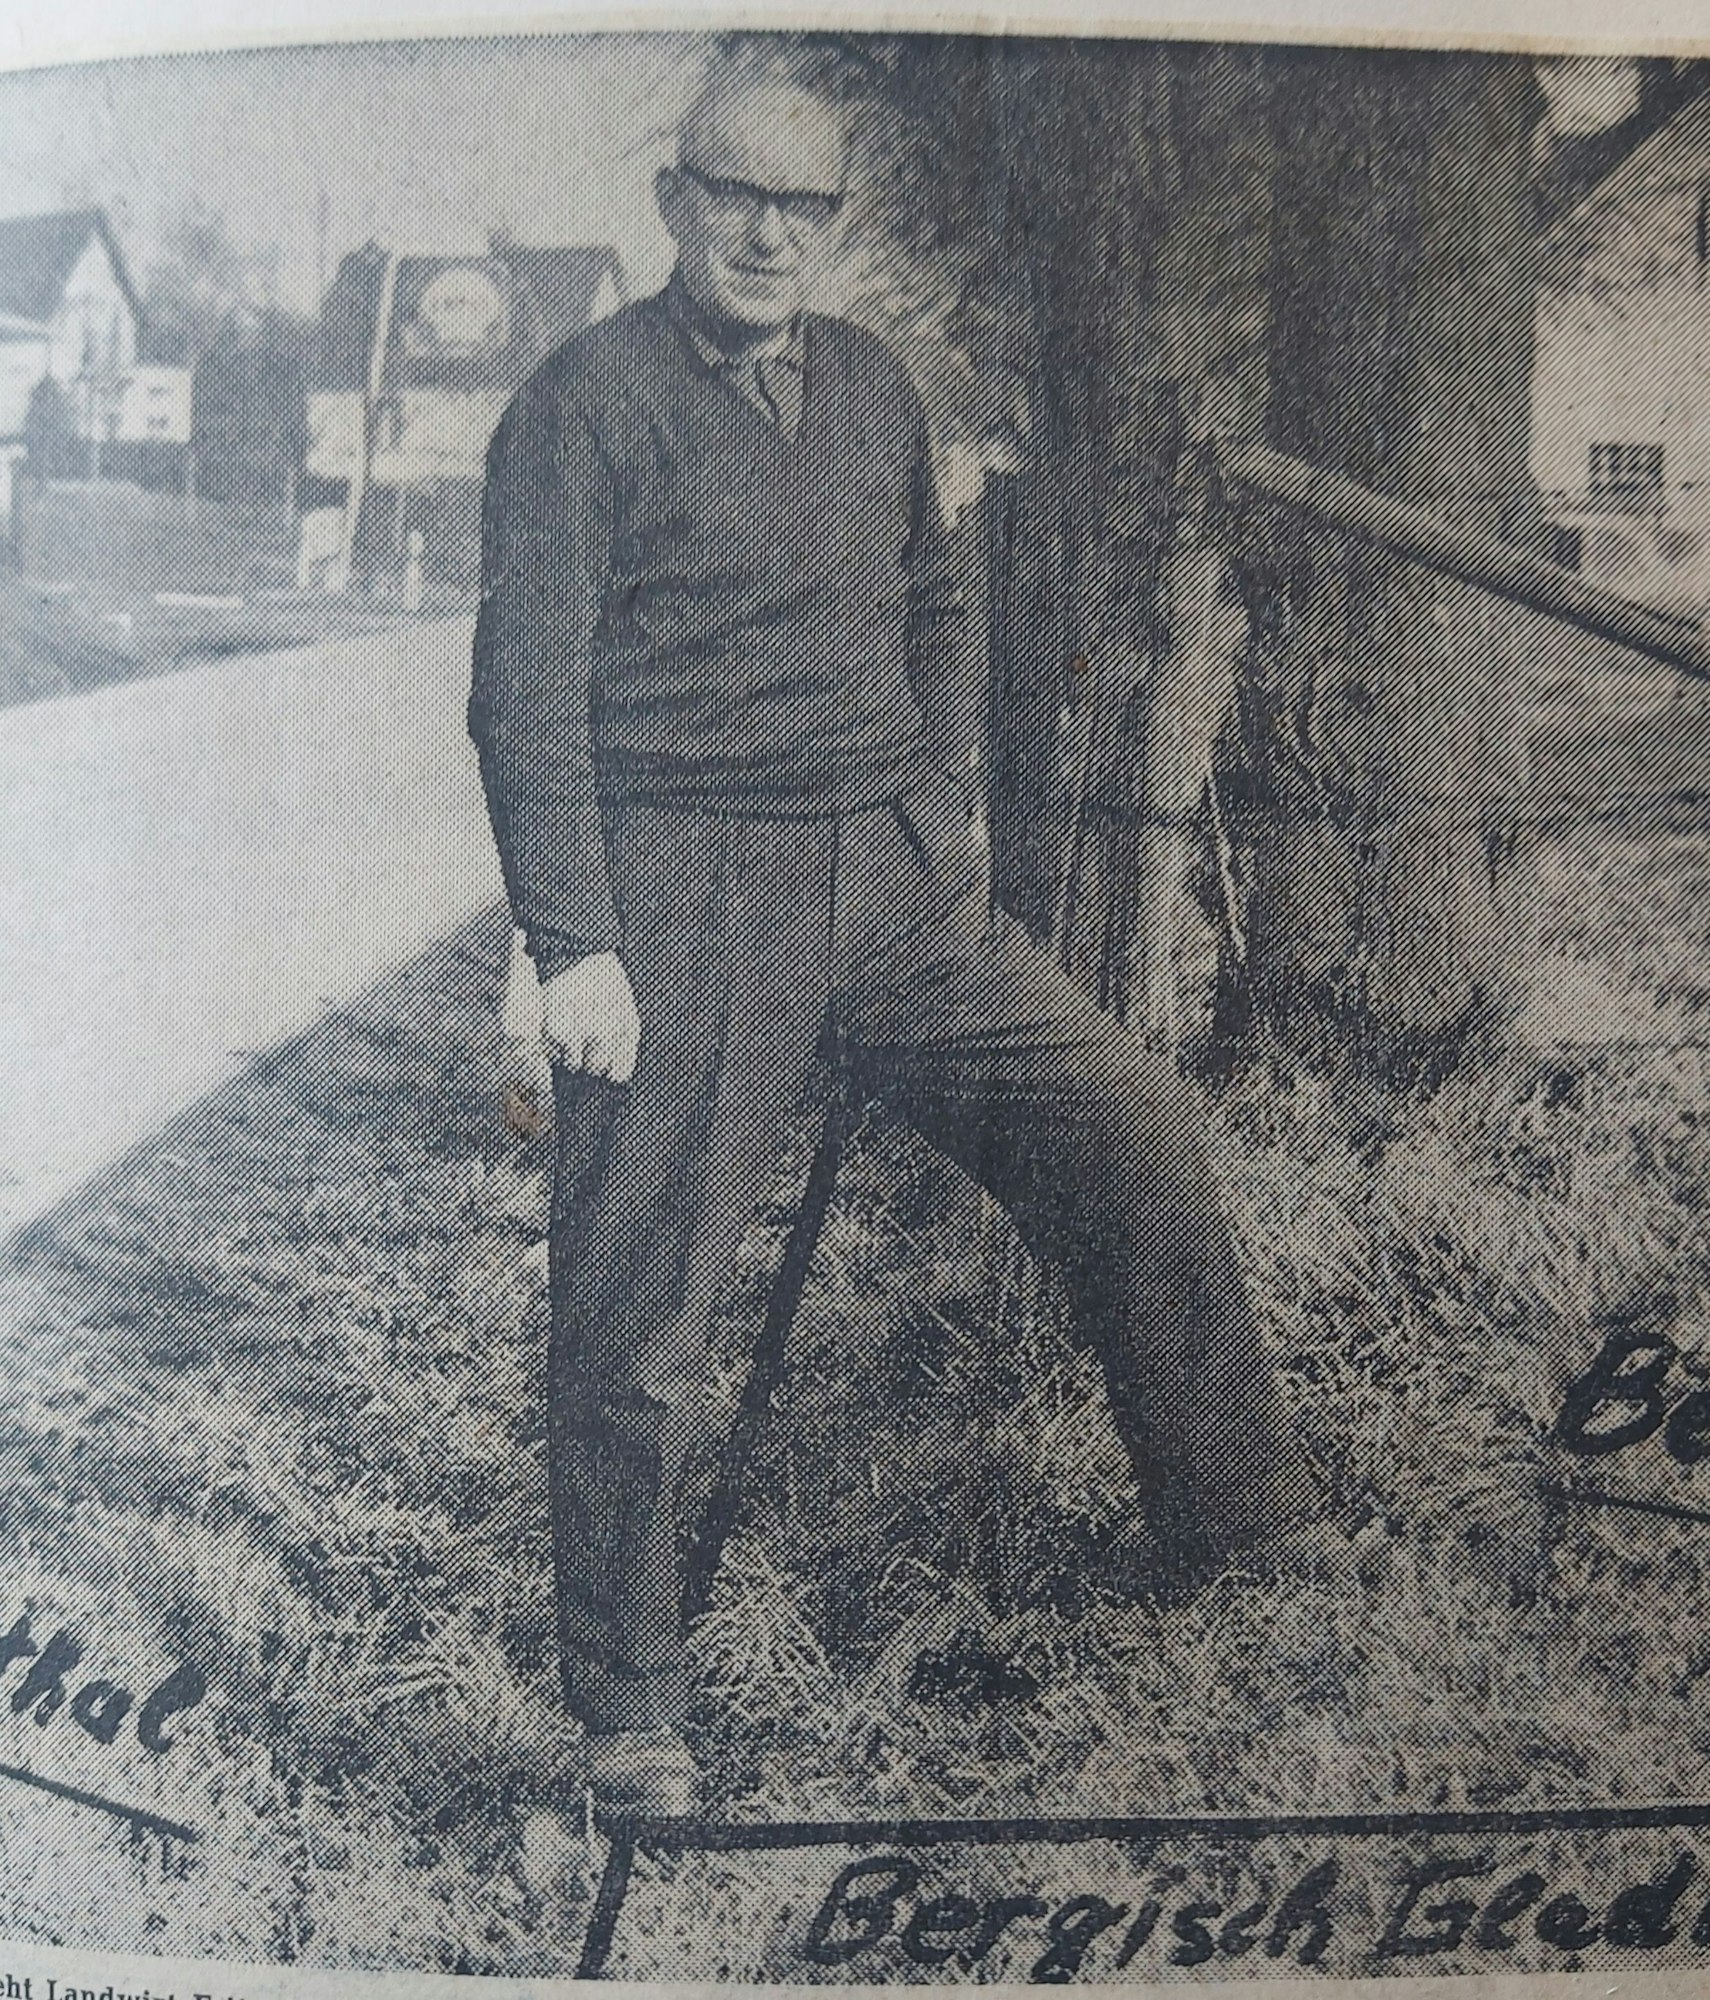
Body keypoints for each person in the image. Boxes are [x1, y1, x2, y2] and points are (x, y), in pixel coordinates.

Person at [469, 37, 1336, 1818]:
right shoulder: (583, 403)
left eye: (806, 207)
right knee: (640, 1313)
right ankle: (630, 1712)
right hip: (686, 887)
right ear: (673, 207)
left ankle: (1242, 1527)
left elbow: (943, 606)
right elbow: (524, 696)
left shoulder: (872, 387)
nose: (771, 236)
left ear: (833, 227)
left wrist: (936, 806)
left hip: (890, 881)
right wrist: (574, 941)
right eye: (739, 199)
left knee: (1128, 1121)